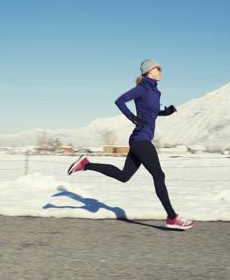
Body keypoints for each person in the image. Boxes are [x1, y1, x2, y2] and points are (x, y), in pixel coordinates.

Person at [67, 59, 195, 230]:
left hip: (141, 140)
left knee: (124, 176)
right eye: (158, 68)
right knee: (159, 175)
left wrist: (166, 112)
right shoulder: (141, 89)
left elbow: (152, 113)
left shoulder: (156, 93)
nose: (161, 71)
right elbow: (120, 101)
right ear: (149, 71)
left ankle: (86, 164)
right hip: (140, 140)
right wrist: (132, 117)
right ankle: (172, 217)